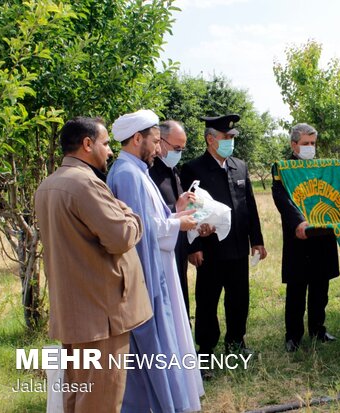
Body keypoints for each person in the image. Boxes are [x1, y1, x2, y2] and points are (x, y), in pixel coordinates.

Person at [34, 117, 152, 412]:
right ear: (87, 144)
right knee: (101, 399)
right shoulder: (85, 184)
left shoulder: (48, 185)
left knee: (76, 397)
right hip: (101, 317)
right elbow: (121, 236)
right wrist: (132, 215)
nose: (110, 151)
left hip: (75, 313)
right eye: (106, 143)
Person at [107, 109, 204, 413]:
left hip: (160, 265)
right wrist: (178, 224)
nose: (160, 148)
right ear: (137, 139)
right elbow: (142, 232)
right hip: (150, 272)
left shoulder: (137, 171)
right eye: (155, 141)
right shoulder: (126, 174)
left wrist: (176, 216)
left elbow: (153, 221)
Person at [180, 114, 267, 359]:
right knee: (208, 301)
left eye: (232, 137)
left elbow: (249, 205)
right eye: (226, 137)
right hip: (210, 249)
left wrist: (257, 240)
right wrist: (193, 246)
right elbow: (187, 210)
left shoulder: (239, 166)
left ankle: (236, 342)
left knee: (239, 299)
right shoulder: (193, 169)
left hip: (238, 246)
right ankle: (205, 350)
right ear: (210, 139)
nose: (230, 141)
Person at [271, 123, 340, 352]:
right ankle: (293, 335)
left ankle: (318, 329)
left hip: (324, 235)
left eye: (313, 144)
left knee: (321, 285)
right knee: (297, 288)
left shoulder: (325, 167)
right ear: (294, 145)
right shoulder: (283, 168)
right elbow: (283, 199)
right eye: (305, 144)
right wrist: (299, 222)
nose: (310, 147)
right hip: (300, 236)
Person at [149, 120, 192, 317]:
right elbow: (149, 213)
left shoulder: (173, 169)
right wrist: (176, 208)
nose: (179, 153)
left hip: (179, 246)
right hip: (159, 250)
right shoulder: (148, 172)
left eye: (182, 149)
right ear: (161, 141)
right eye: (176, 148)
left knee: (181, 298)